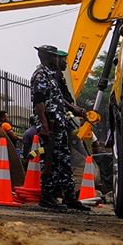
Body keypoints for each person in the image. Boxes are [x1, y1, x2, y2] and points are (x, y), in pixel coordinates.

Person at [31, 44, 88, 211]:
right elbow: (39, 102)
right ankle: (47, 197)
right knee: (50, 161)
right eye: (55, 56)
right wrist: (44, 126)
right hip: (50, 125)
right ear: (47, 57)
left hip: (59, 124)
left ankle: (70, 198)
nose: (59, 59)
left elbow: (58, 98)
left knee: (63, 161)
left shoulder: (51, 76)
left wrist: (73, 108)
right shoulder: (40, 75)